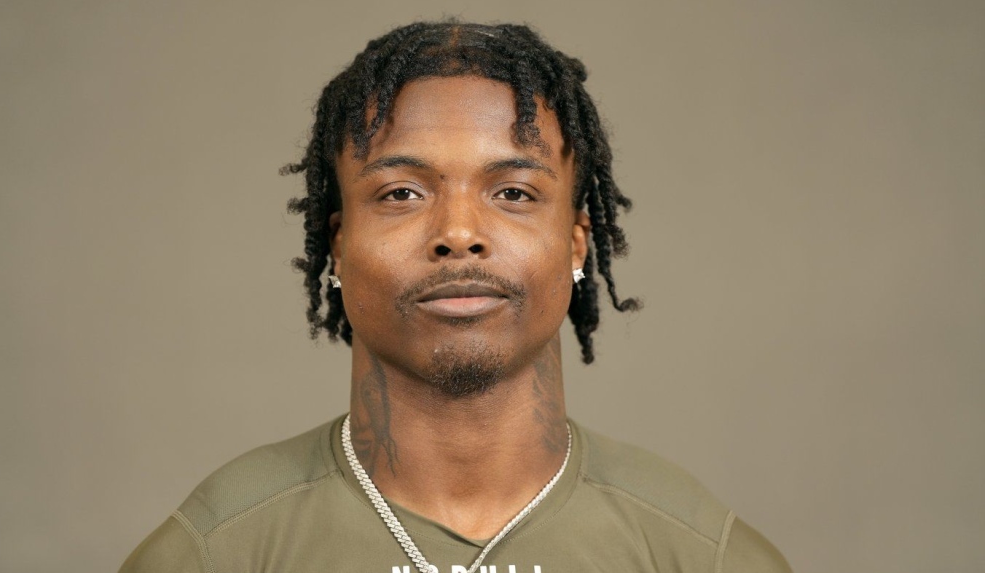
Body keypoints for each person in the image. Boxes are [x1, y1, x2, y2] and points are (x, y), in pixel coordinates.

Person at [120, 21, 791, 573]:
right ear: (337, 246)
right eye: (401, 193)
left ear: (578, 244)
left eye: (514, 193)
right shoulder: (215, 550)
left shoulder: (699, 553)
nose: (459, 233)